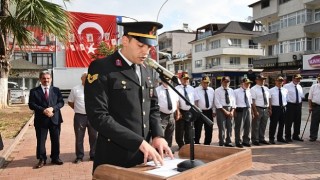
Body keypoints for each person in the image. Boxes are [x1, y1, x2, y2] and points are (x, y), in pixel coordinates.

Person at [84, 21, 173, 172]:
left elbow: (153, 107)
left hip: (144, 157)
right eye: (140, 46)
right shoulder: (102, 67)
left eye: (149, 47)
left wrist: (158, 135)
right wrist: (137, 142)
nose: (145, 52)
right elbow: (98, 116)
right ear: (125, 41)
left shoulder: (145, 70)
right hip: (114, 158)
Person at [28, 71, 64, 168]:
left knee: (56, 140)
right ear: (40, 79)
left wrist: (53, 108)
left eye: (48, 78)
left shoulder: (56, 90)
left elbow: (61, 102)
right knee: (41, 141)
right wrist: (43, 110)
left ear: (51, 79)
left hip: (55, 119)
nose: (46, 80)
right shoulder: (34, 91)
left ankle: (55, 157)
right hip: (41, 120)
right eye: (44, 78)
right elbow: (31, 105)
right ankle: (42, 159)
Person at [68, 72, 98, 164]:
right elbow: (70, 102)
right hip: (80, 117)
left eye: (89, 77)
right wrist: (77, 109)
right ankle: (79, 156)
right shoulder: (75, 89)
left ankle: (93, 155)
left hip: (93, 117)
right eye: (85, 77)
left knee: (94, 137)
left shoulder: (95, 89)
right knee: (79, 137)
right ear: (81, 79)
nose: (87, 79)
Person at [175, 73, 199, 149]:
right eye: (184, 79)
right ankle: (180, 145)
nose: (186, 80)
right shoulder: (177, 88)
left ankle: (187, 145)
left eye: (187, 79)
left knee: (189, 130)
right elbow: (176, 101)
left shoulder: (192, 88)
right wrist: (178, 112)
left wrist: (195, 110)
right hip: (181, 111)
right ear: (181, 79)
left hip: (190, 111)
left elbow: (195, 100)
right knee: (180, 130)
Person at [155, 77, 179, 149]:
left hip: (171, 114)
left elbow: (176, 101)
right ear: (162, 81)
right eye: (165, 80)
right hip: (161, 115)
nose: (167, 81)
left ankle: (168, 149)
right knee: (161, 133)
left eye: (168, 80)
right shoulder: (157, 90)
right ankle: (160, 150)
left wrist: (178, 112)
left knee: (170, 133)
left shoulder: (173, 90)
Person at [214, 76, 236, 147]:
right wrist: (224, 111)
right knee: (222, 127)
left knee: (230, 126)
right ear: (221, 82)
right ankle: (222, 141)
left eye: (228, 82)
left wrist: (232, 111)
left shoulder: (231, 90)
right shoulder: (217, 90)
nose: (226, 83)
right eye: (225, 81)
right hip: (221, 109)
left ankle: (228, 141)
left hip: (230, 109)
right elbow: (217, 102)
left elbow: (233, 101)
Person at [194, 76, 215, 145]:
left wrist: (213, 111)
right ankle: (197, 142)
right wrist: (197, 111)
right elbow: (196, 101)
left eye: (207, 83)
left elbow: (213, 101)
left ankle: (207, 143)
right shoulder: (196, 89)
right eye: (204, 83)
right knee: (198, 128)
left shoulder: (211, 90)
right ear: (201, 82)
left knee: (209, 128)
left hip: (209, 111)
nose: (206, 84)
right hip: (200, 111)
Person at [250, 74, 270, 146]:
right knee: (256, 125)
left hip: (266, 108)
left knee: (263, 125)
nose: (262, 81)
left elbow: (269, 99)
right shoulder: (253, 89)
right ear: (256, 80)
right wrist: (255, 111)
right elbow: (253, 101)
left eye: (264, 79)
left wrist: (270, 108)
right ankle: (255, 139)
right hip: (258, 108)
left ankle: (261, 138)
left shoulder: (266, 89)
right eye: (261, 79)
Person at [283, 74, 304, 142]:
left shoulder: (299, 86)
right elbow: (284, 96)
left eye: (299, 79)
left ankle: (296, 135)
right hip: (290, 105)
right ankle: (287, 136)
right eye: (297, 78)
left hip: (298, 105)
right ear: (293, 78)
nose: (298, 80)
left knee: (298, 121)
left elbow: (301, 96)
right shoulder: (287, 86)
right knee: (289, 122)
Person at [269, 75, 288, 144]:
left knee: (282, 124)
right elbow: (270, 100)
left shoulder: (285, 90)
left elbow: (286, 99)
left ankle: (280, 137)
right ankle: (271, 138)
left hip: (283, 107)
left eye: (281, 81)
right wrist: (270, 109)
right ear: (275, 81)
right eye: (278, 81)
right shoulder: (271, 90)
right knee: (273, 124)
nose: (280, 82)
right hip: (275, 108)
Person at [234, 78, 252, 148]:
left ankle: (246, 141)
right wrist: (234, 111)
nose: (248, 85)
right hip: (240, 109)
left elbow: (250, 101)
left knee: (248, 126)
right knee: (239, 126)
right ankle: (238, 141)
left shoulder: (249, 91)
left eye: (249, 83)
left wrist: (252, 112)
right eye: (246, 83)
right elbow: (234, 102)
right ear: (242, 84)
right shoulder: (236, 91)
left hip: (248, 108)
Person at [308, 74, 320, 142]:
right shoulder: (314, 86)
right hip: (316, 107)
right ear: (318, 79)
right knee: (314, 122)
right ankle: (313, 136)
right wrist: (310, 107)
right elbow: (310, 98)